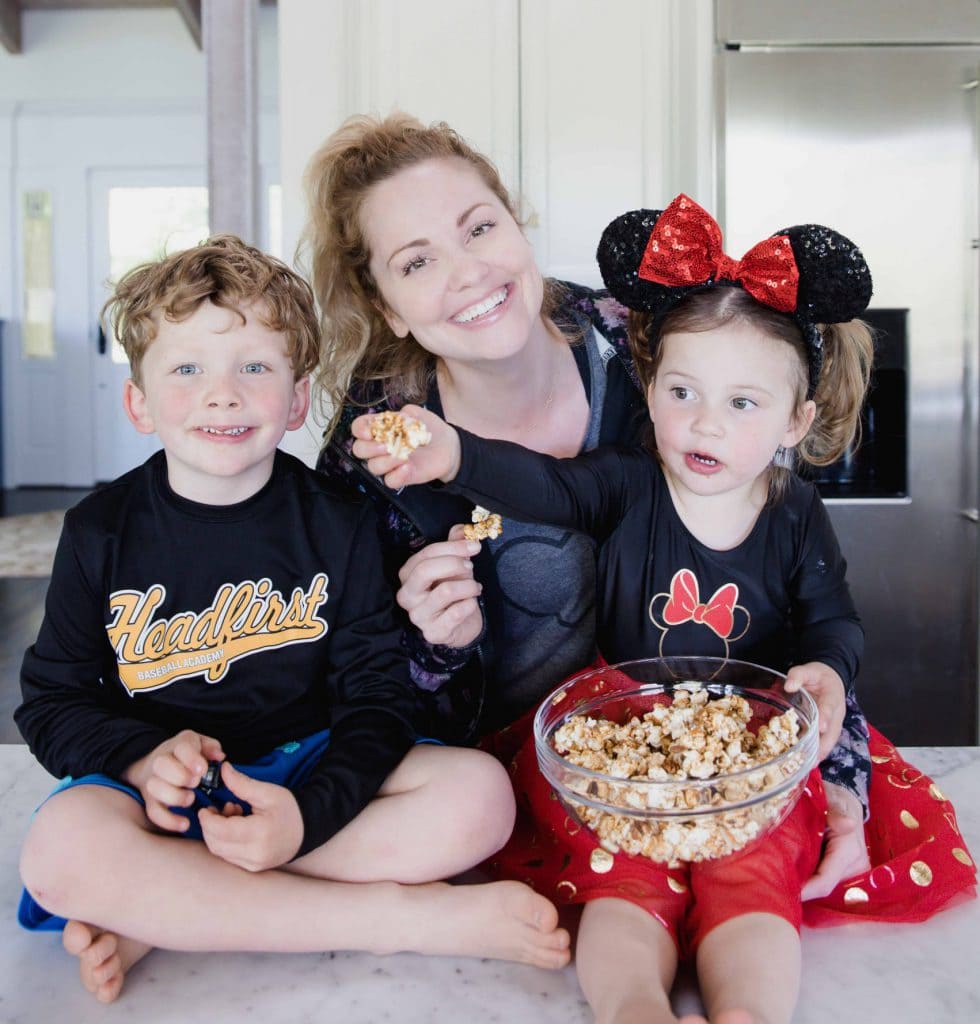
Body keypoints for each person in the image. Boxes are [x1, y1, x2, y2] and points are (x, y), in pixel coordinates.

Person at [351, 194, 977, 1024]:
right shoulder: (625, 481)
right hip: (621, 739)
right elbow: (542, 484)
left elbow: (834, 619)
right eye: (682, 391)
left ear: (796, 419)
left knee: (755, 879)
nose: (703, 423)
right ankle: (633, 1008)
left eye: (742, 404)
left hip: (756, 738)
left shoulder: (794, 514)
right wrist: (452, 451)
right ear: (649, 389)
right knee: (624, 876)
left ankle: (747, 1010)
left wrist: (826, 670)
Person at [306, 113, 873, 894]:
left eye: (479, 227)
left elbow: (783, 595)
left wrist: (838, 775)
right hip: (496, 806)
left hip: (693, 772)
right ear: (388, 306)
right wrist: (433, 649)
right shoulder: (376, 446)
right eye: (416, 261)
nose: (467, 271)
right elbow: (339, 687)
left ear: (517, 223)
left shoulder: (650, 346)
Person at [14, 235, 570, 1005]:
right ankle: (395, 918)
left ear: (299, 399)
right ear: (138, 401)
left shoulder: (336, 522)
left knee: (480, 798)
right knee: (59, 850)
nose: (223, 393)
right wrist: (141, 760)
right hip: (160, 801)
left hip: (310, 768)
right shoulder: (100, 531)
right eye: (186, 370)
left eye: (255, 367)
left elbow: (378, 698)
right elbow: (51, 701)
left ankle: (175, 910)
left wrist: (307, 816)